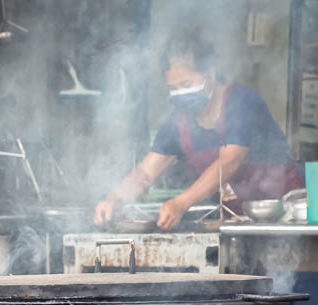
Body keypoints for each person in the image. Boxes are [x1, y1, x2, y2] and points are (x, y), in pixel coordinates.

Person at [94, 38, 303, 229]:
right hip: (234, 224)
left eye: (186, 84)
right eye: (173, 88)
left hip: (283, 219)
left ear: (210, 75)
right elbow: (145, 173)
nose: (180, 93)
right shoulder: (178, 122)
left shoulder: (242, 101)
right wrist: (114, 199)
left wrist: (181, 203)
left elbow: (229, 162)